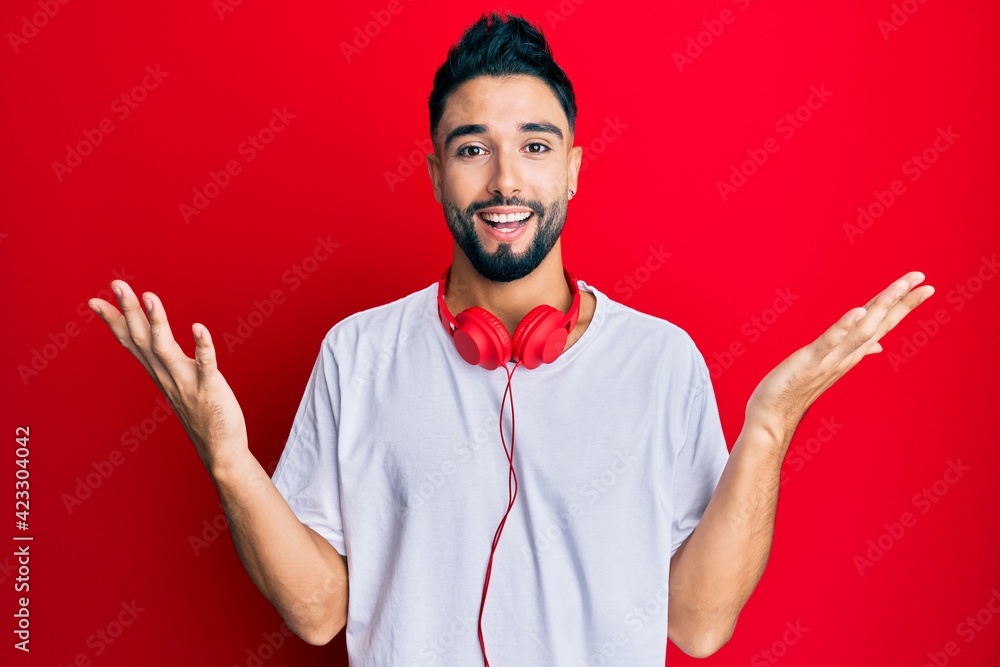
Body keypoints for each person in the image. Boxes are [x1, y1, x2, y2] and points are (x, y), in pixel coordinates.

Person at [88, 10, 935, 666]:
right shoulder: (358, 353)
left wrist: (770, 428)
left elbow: (700, 624)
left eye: (534, 146)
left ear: (572, 165)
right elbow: (317, 613)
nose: (505, 180)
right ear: (433, 172)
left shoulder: (662, 361)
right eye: (472, 149)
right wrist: (228, 460)